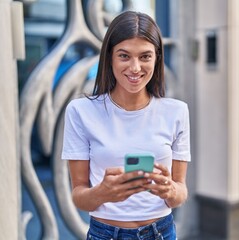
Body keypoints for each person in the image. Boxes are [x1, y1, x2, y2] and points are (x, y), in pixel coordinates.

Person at [61, 11, 191, 240]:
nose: (135, 68)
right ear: (109, 57)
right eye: (124, 56)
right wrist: (103, 193)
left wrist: (169, 190)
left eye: (145, 56)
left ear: (157, 58)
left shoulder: (177, 111)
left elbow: (180, 193)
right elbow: (79, 196)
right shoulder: (80, 111)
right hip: (105, 233)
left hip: (160, 232)